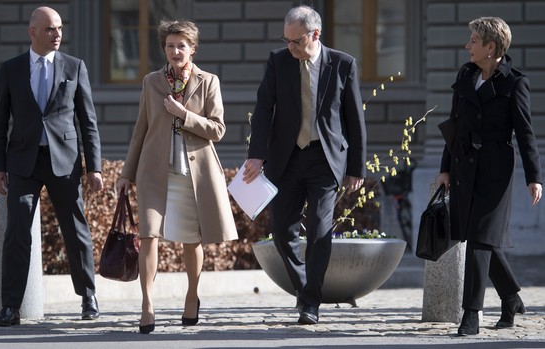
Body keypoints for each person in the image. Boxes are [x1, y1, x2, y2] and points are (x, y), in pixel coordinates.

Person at [242, 5, 366, 325]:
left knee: (320, 229)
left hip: (324, 159)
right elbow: (264, 107)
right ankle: (305, 290)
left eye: (296, 41)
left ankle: (311, 303)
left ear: (315, 34)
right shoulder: (278, 61)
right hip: (286, 159)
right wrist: (256, 154)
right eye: (286, 40)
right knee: (282, 233)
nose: (291, 47)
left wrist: (356, 169)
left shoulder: (342, 64)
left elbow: (355, 120)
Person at [116, 19, 238, 334]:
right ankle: (147, 305)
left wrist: (183, 114)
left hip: (192, 174)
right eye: (170, 46)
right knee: (148, 236)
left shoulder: (209, 81)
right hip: (154, 172)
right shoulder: (151, 82)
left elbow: (218, 129)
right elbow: (139, 131)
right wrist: (126, 173)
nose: (175, 51)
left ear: (192, 48)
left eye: (181, 45)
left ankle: (192, 296)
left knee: (190, 239)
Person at [0, 6, 104, 326]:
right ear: (33, 32)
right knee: (17, 233)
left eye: (60, 29)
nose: (58, 34)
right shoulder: (10, 69)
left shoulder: (74, 66)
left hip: (64, 162)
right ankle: (10, 306)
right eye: (51, 29)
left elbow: (88, 122)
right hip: (23, 163)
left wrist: (93, 167)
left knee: (75, 230)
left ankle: (88, 296)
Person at [436, 17, 542, 336]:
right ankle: (510, 298)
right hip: (464, 166)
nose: (467, 46)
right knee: (478, 236)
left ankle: (471, 313)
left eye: (473, 41)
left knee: (481, 239)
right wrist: (444, 168)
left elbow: (525, 133)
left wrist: (534, 176)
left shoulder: (515, 83)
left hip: (496, 170)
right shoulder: (466, 75)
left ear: (490, 47)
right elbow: (453, 125)